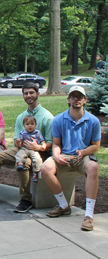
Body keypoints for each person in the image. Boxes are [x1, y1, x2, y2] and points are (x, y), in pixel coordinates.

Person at [0, 83, 54, 213]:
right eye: (26, 93)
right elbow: (16, 140)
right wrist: (19, 143)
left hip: (40, 153)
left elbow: (50, 143)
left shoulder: (47, 117)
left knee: (24, 163)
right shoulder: (21, 117)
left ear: (38, 94)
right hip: (21, 150)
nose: (29, 96)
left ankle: (26, 200)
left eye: (31, 93)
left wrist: (38, 147)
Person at [41, 86, 100, 231]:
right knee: (45, 168)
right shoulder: (59, 119)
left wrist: (84, 152)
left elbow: (96, 146)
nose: (76, 99)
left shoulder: (93, 121)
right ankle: (63, 206)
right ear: (69, 99)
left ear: (84, 100)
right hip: (64, 155)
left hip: (83, 155)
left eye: (79, 97)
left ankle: (89, 216)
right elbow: (56, 144)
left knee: (93, 167)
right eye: (73, 96)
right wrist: (56, 155)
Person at [15, 115, 47, 183]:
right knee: (19, 154)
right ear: (24, 125)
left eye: (32, 124)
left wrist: (43, 146)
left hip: (34, 150)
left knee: (38, 159)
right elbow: (19, 143)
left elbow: (42, 141)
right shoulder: (22, 133)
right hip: (24, 149)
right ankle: (20, 164)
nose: (30, 126)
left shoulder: (37, 133)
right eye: (27, 124)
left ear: (35, 125)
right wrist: (18, 142)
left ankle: (35, 173)